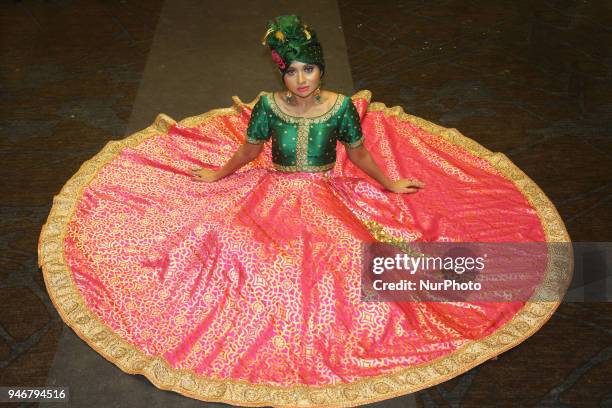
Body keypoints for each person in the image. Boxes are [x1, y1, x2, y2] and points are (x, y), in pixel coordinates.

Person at [38, 13, 571, 408]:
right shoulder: (268, 108)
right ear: (281, 75)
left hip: (324, 193)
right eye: (292, 72)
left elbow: (358, 152)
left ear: (321, 70)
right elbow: (249, 150)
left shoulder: (339, 108)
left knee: (357, 262)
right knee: (230, 250)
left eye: (309, 70)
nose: (301, 80)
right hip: (269, 190)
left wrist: (388, 182)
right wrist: (221, 175)